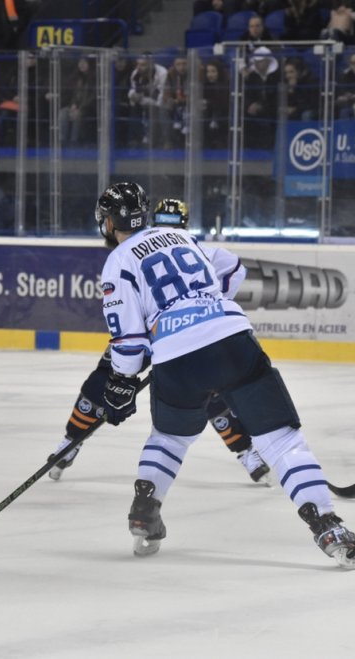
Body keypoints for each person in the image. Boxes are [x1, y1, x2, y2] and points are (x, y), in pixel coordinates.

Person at [93, 182, 355, 569]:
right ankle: (329, 528)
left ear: (108, 223)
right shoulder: (180, 237)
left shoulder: (117, 262)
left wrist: (122, 381)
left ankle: (145, 510)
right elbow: (232, 267)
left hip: (175, 359)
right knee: (281, 440)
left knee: (169, 437)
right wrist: (206, 308)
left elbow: (128, 338)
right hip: (231, 341)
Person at [47, 198, 272, 486]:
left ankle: (69, 444)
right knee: (205, 390)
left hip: (154, 332)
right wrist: (210, 304)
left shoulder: (138, 249)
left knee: (109, 380)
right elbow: (234, 269)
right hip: (180, 331)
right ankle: (70, 441)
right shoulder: (190, 244)